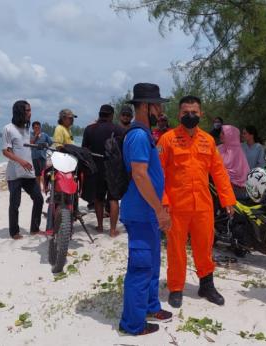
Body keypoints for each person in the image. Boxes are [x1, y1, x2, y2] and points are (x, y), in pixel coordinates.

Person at [158, 95, 236, 308]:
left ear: (201, 114)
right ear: (179, 114)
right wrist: (163, 202)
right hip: (176, 206)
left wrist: (227, 198)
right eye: (185, 113)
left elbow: (219, 172)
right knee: (176, 248)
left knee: (205, 246)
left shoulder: (208, 141)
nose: (190, 116)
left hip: (203, 205)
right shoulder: (167, 139)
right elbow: (158, 174)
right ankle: (175, 287)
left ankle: (206, 284)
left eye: (194, 112)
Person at [119, 83, 172, 335]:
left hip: (148, 212)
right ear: (145, 106)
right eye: (157, 105)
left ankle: (150, 306)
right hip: (140, 213)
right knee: (140, 267)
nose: (160, 110)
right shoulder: (139, 136)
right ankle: (132, 324)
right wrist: (160, 210)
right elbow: (140, 176)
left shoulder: (144, 134)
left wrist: (159, 208)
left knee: (151, 262)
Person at [2, 100, 44, 240]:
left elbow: (24, 146)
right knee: (15, 203)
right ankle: (14, 232)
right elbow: (6, 152)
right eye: (27, 110)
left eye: (30, 110)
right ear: (19, 111)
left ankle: (34, 229)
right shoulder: (8, 129)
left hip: (28, 172)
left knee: (38, 199)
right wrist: (21, 161)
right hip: (15, 173)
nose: (30, 113)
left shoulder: (26, 130)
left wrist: (37, 143)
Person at [82, 104, 125, 237]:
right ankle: (112, 230)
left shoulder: (89, 129)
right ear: (111, 115)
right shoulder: (119, 129)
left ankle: (100, 226)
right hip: (113, 169)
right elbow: (123, 151)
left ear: (100, 114)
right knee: (113, 199)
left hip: (96, 169)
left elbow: (84, 150)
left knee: (98, 199)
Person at [218, 125, 250, 200]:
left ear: (230, 136)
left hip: (237, 190)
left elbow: (240, 173)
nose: (220, 135)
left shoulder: (238, 153)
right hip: (217, 188)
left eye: (223, 133)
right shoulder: (218, 149)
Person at [30, 121, 53, 192]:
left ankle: (45, 187)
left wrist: (46, 146)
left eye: (38, 127)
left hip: (42, 156)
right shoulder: (31, 134)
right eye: (35, 128)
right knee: (37, 174)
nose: (37, 129)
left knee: (43, 173)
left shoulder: (44, 135)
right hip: (34, 157)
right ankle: (38, 188)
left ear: (40, 128)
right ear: (33, 128)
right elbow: (31, 143)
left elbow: (50, 142)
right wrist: (36, 136)